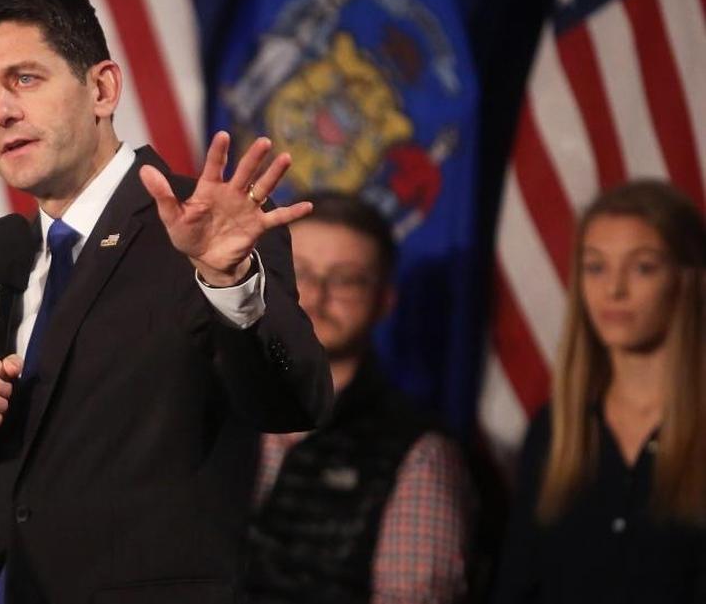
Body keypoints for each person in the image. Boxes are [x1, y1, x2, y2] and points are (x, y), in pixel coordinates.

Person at [0, 0, 330, 604]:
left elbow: (292, 404)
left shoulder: (207, 234)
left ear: (101, 88)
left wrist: (228, 280)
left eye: (25, 78)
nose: (0, 112)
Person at [243, 191, 474, 604]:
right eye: (300, 274)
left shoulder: (417, 452)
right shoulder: (215, 405)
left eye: (346, 279)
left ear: (385, 300)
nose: (315, 296)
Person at [491, 180, 706, 604]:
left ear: (687, 279)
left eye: (643, 267)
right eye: (596, 267)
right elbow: (517, 586)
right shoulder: (556, 431)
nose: (614, 290)